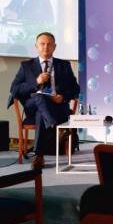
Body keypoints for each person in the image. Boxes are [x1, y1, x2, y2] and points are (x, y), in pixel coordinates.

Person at [8, 32, 79, 168]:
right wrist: (36, 81)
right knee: (40, 96)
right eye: (42, 44)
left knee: (41, 115)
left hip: (57, 107)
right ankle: (55, 127)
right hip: (33, 105)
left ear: (54, 47)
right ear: (36, 46)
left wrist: (63, 97)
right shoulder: (26, 66)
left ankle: (39, 156)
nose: (46, 47)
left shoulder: (64, 65)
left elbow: (75, 89)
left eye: (49, 44)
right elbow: (15, 89)